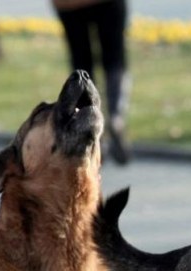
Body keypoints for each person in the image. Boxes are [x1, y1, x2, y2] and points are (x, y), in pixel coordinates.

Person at [53, 0, 131, 164]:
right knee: (115, 58)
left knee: (81, 63)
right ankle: (116, 116)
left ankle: (93, 128)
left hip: (69, 5)